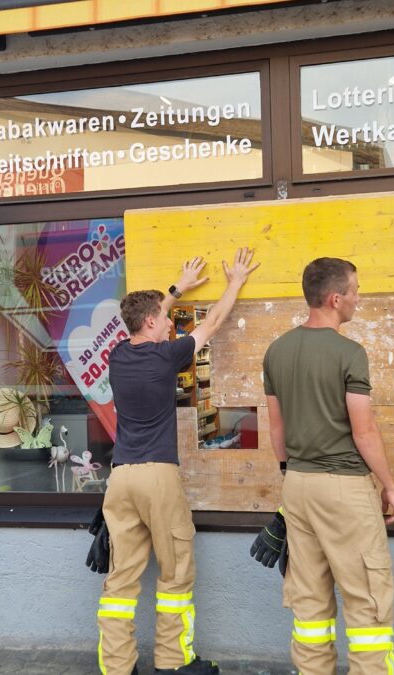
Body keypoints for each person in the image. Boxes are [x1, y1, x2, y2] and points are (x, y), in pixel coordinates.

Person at [96, 248, 259, 675]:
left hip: (120, 479)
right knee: (175, 572)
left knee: (120, 581)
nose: (171, 323)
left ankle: (116, 667)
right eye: (165, 318)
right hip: (157, 477)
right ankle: (174, 663)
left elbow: (146, 319)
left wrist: (174, 291)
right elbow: (213, 323)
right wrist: (235, 282)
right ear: (151, 322)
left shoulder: (118, 356)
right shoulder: (165, 355)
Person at [263, 257, 394, 675]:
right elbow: (364, 431)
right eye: (355, 291)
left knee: (309, 604)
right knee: (367, 604)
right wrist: (388, 484)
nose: (359, 298)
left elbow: (277, 430)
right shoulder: (349, 353)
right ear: (335, 298)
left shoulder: (277, 351)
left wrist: (292, 476)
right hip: (344, 489)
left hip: (298, 487)